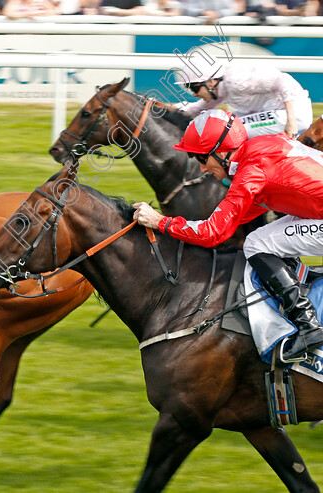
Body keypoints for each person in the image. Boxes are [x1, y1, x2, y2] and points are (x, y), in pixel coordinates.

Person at [133, 109, 323, 362]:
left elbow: (214, 233)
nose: (201, 168)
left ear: (222, 152)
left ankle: (308, 325)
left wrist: (161, 222)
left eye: (201, 158)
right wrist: (188, 225)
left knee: (257, 243)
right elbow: (236, 218)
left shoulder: (252, 169)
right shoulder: (261, 146)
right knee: (263, 238)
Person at [174, 56, 313, 140]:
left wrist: (291, 119)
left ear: (210, 82)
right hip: (274, 113)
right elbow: (195, 109)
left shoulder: (235, 81)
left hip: (293, 115)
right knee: (214, 120)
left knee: (226, 129)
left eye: (195, 88)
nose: (194, 94)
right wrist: (166, 109)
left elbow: (284, 80)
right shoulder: (222, 89)